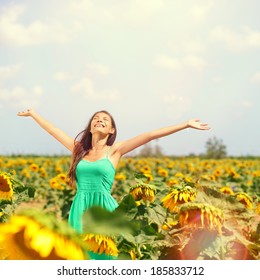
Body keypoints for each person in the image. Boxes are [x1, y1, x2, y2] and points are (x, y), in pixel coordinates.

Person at [17, 108, 210, 259]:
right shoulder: (78, 150)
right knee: (81, 258)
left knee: (109, 257)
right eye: (96, 118)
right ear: (90, 127)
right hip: (80, 209)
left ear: (111, 130)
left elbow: (150, 135)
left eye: (105, 119)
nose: (99, 120)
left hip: (106, 211)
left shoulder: (115, 151)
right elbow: (53, 131)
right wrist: (34, 114)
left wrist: (185, 124)